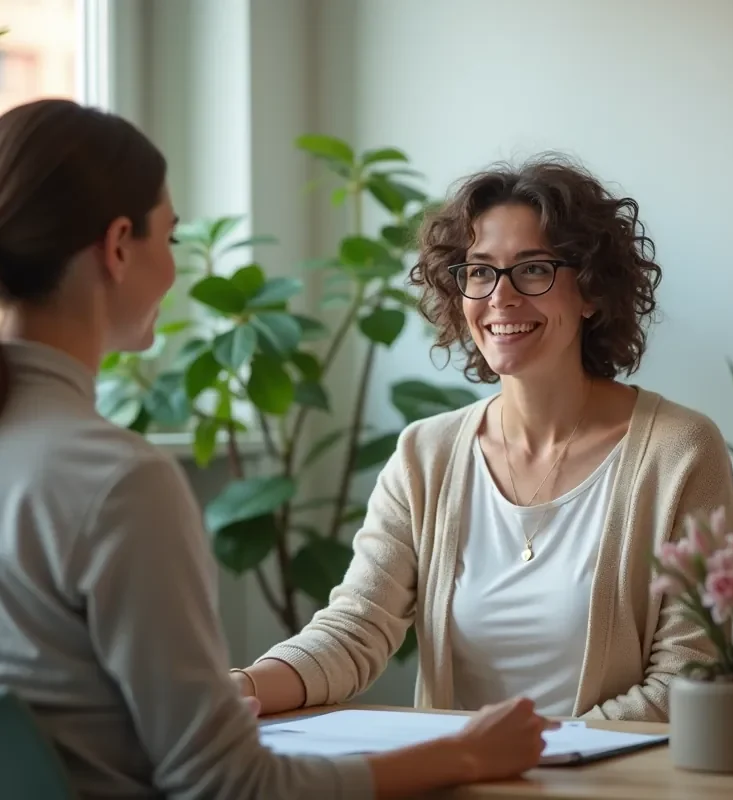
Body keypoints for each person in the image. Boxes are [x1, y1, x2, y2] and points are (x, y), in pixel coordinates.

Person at [0, 99, 555, 800]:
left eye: (533, 269)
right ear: (117, 247)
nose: (175, 270)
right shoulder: (118, 483)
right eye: (170, 239)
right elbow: (228, 784)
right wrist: (464, 758)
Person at [232, 154, 733, 722]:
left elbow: (687, 677)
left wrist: (531, 757)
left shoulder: (681, 450)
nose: (501, 295)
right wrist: (241, 686)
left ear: (592, 291)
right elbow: (355, 630)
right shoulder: (424, 455)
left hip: (607, 781)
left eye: (533, 269)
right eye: (479, 271)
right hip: (461, 779)